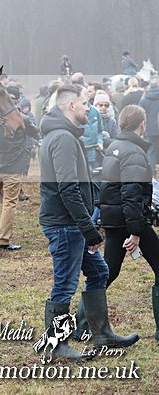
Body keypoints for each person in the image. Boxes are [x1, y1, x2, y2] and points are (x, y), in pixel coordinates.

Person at [38, 84, 138, 360]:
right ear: (71, 105)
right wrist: (89, 229)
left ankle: (102, 334)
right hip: (65, 225)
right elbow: (67, 189)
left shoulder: (64, 135)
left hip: (71, 223)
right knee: (65, 284)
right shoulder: (62, 138)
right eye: (84, 103)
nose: (89, 108)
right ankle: (56, 345)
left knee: (99, 272)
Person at [97, 105, 159, 340]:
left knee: (108, 272)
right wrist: (135, 231)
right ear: (142, 124)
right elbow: (131, 194)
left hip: (114, 219)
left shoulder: (114, 146)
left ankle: (82, 322)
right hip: (130, 220)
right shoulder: (134, 152)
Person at [0, 87, 39, 250]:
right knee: (9, 202)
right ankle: (3, 239)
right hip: (13, 167)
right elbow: (35, 132)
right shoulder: (22, 118)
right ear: (18, 100)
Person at [138, 80, 159, 175]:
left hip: (150, 130)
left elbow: (140, 114)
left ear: (149, 87)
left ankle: (152, 174)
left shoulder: (144, 99)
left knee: (151, 152)